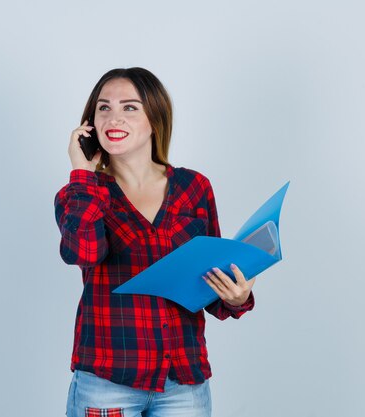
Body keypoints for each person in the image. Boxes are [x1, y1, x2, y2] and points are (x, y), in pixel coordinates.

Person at [54, 67, 256, 417]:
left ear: (155, 119)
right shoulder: (80, 193)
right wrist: (83, 174)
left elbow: (210, 280)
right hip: (107, 382)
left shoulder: (194, 188)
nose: (114, 116)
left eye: (129, 107)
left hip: (183, 382)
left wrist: (237, 299)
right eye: (104, 108)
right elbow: (83, 252)